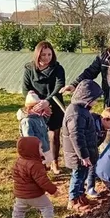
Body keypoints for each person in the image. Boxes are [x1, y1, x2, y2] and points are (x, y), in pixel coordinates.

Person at [22, 41, 65, 175]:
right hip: (36, 106)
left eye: (49, 54)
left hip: (54, 103)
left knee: (54, 135)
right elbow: (26, 88)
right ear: (37, 55)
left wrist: (47, 102)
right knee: (38, 135)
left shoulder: (58, 68)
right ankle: (41, 162)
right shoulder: (29, 69)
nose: (47, 57)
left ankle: (54, 162)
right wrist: (36, 104)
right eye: (43, 55)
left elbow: (59, 86)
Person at [61, 79, 103, 211]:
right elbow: (76, 137)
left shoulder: (82, 110)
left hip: (83, 154)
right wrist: (84, 156)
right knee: (78, 176)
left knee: (82, 175)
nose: (96, 102)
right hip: (78, 155)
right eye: (95, 99)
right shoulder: (76, 114)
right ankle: (73, 200)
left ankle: (80, 196)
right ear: (87, 98)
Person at [12, 136, 60, 218]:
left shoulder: (18, 161)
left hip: (20, 194)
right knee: (46, 206)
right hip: (34, 194)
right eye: (40, 148)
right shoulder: (34, 165)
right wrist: (53, 190)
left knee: (19, 207)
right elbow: (43, 181)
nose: (42, 150)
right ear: (32, 151)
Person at [86, 107, 110, 199]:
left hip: (93, 147)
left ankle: (90, 180)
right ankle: (89, 187)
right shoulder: (92, 123)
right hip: (85, 148)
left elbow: (99, 141)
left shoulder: (103, 128)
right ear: (105, 119)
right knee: (91, 167)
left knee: (93, 166)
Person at [17, 91, 53, 165]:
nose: (41, 108)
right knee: (37, 168)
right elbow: (29, 138)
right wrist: (37, 150)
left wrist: (48, 114)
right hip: (36, 151)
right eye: (38, 106)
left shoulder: (38, 117)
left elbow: (43, 125)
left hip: (44, 147)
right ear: (31, 107)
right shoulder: (27, 121)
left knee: (42, 167)